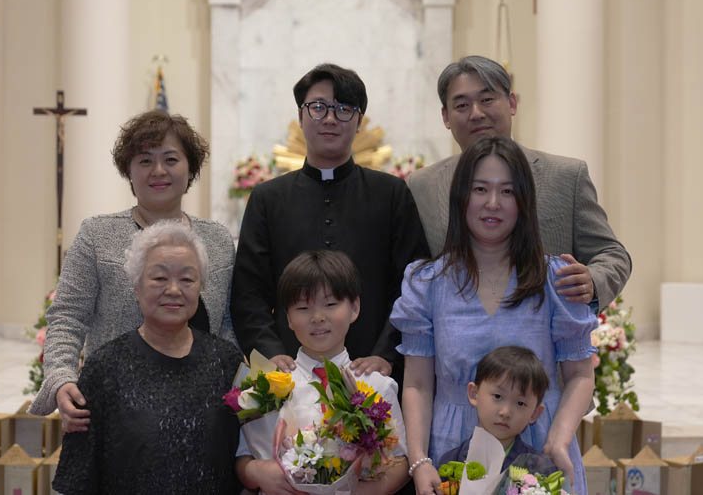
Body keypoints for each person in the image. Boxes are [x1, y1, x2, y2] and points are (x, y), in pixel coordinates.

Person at [392, 136, 597, 495]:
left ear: (524, 201)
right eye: (480, 189)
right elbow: (418, 385)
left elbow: (580, 375)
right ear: (461, 197)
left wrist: (559, 440)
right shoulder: (427, 283)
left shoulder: (554, 279)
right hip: (452, 450)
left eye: (507, 191)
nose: (492, 203)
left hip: (538, 447)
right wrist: (420, 459)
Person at [29, 110, 236, 428]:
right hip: (116, 409)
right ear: (129, 170)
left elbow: (228, 325)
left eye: (170, 159)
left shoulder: (218, 239)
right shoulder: (97, 236)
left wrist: (238, 390)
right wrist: (61, 377)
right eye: (145, 160)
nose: (158, 171)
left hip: (203, 409)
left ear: (191, 167)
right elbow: (68, 317)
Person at [231, 63, 429, 379]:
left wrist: (385, 355)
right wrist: (271, 354)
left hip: (374, 372)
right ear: (300, 117)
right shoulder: (268, 198)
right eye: (318, 107)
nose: (330, 119)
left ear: (360, 121)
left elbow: (412, 284)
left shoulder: (391, 194)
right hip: (289, 373)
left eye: (344, 109)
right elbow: (248, 294)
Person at [407, 55, 631, 312]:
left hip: (545, 331)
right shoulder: (421, 186)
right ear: (446, 117)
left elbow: (611, 253)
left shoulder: (566, 176)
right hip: (453, 332)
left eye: (487, 100)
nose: (476, 113)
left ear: (512, 103)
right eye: (462, 105)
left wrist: (592, 281)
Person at [52, 221, 242, 493]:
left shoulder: (226, 362)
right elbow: (77, 478)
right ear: (136, 287)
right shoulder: (104, 368)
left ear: (200, 288)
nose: (174, 290)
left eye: (187, 279)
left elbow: (244, 456)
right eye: (159, 278)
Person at [235, 250, 409, 495]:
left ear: (354, 307)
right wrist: (256, 472)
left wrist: (365, 491)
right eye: (303, 307)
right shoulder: (268, 385)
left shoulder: (377, 384)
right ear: (288, 317)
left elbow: (401, 461)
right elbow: (243, 457)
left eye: (330, 304)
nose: (317, 317)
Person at [438, 346, 556, 474]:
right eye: (498, 396)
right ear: (474, 394)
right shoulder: (450, 464)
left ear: (534, 413)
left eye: (520, 403)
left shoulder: (540, 471)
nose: (505, 412)